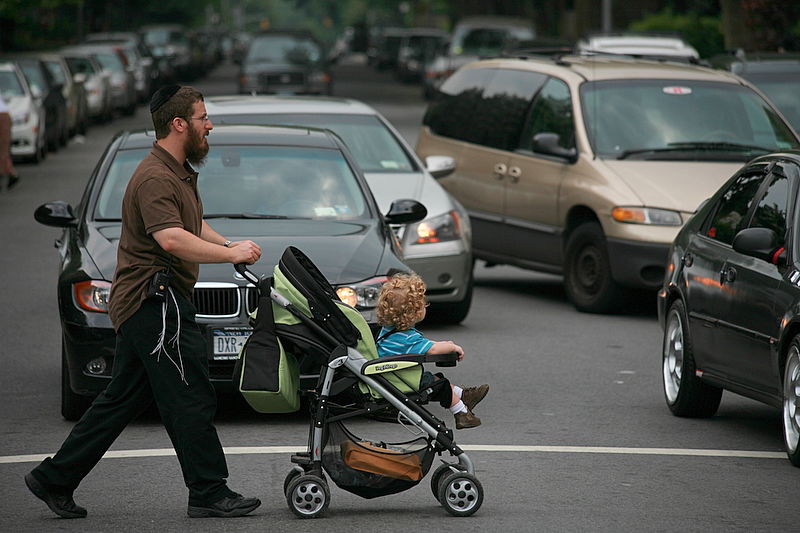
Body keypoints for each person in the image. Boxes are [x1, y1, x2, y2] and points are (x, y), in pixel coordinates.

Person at [25, 85, 263, 519]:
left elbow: (191, 224)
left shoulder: (176, 171)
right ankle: (210, 491)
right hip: (156, 305)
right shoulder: (155, 176)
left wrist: (230, 243)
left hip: (152, 303)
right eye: (202, 118)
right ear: (179, 124)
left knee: (121, 399)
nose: (209, 126)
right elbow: (170, 239)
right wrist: (230, 255)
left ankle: (53, 479)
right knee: (190, 394)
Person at [375, 273, 489, 430]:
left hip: (395, 376)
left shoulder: (390, 331)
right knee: (441, 385)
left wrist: (445, 344)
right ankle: (462, 414)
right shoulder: (407, 338)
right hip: (400, 380)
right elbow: (433, 349)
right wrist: (453, 347)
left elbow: (426, 345)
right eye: (422, 305)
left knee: (433, 378)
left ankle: (464, 395)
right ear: (413, 313)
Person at [0, 93, 18, 191]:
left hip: (2, 116)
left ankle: (7, 172)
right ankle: (10, 172)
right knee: (4, 148)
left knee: (3, 149)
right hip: (5, 115)